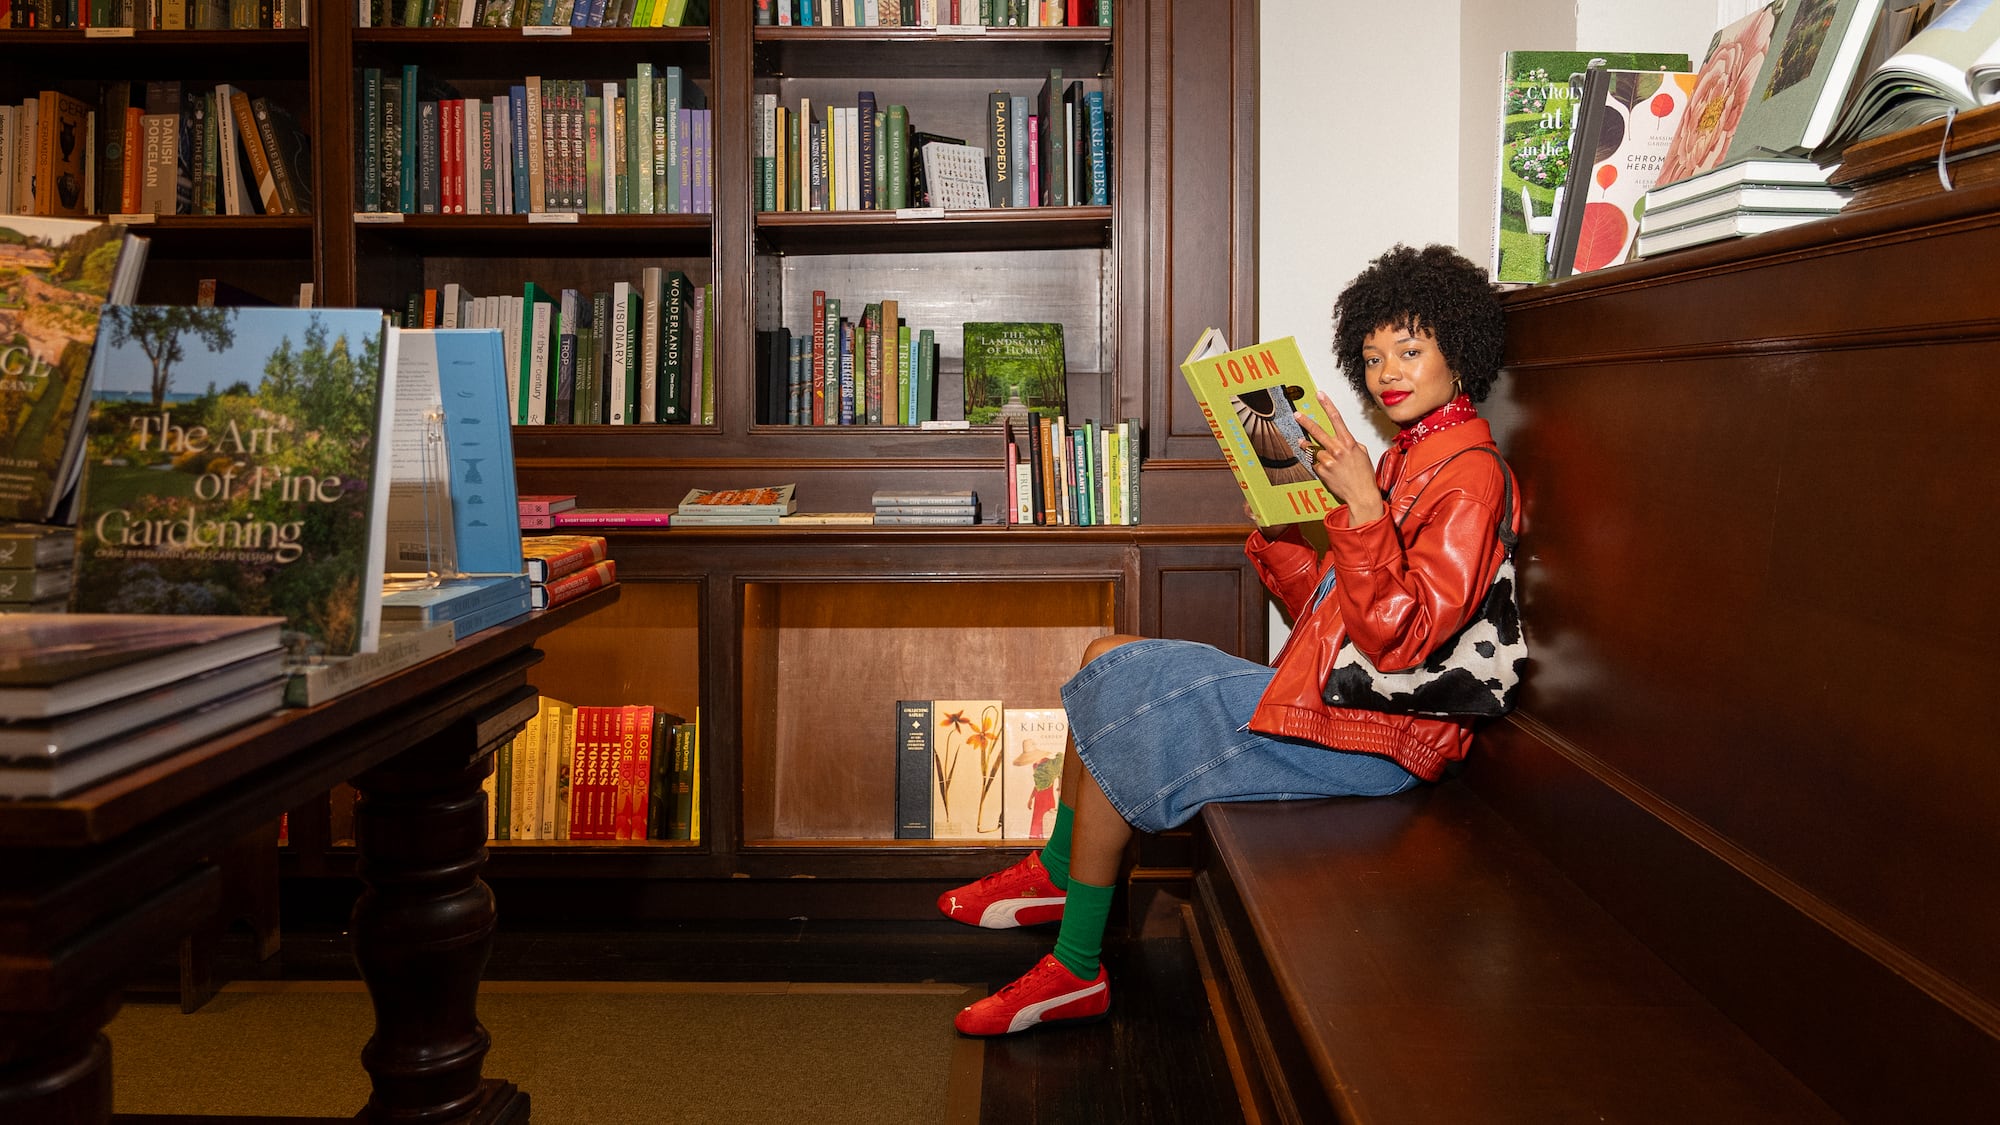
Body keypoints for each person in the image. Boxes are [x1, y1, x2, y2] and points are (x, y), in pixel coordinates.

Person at [938, 243, 1520, 1036]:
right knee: (1105, 655)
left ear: (1461, 349)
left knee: (1128, 689)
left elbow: (1401, 638)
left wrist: (1361, 510)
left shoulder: (1471, 474)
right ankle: (1055, 872)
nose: (1389, 371)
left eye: (1411, 350)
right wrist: (1282, 526)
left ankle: (1075, 967)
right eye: (1375, 354)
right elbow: (1335, 606)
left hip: (1381, 740)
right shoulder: (1408, 456)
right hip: (1342, 701)